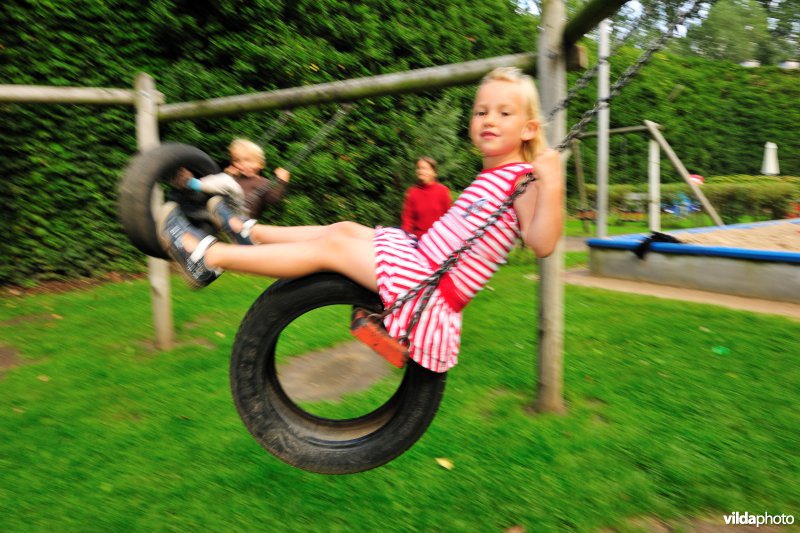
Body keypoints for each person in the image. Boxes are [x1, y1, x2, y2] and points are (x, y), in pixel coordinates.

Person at [157, 66, 564, 373]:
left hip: (430, 290)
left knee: (333, 248)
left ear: (529, 129)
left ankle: (208, 256)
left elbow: (542, 242)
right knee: (344, 229)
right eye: (481, 111)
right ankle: (249, 231)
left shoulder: (524, 181)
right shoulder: (495, 174)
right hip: (420, 260)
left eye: (504, 113)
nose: (489, 119)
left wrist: (554, 184)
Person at [172, 138, 290, 224]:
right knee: (221, 180)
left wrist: (282, 181)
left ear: (260, 164)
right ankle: (185, 189)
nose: (242, 164)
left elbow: (273, 199)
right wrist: (228, 174)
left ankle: (190, 182)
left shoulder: (263, 182)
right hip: (223, 210)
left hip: (242, 217)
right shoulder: (234, 178)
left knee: (226, 181)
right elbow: (218, 187)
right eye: (237, 161)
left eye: (248, 160)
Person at [401, 157, 452, 238]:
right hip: (419, 241)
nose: (420, 171)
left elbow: (449, 217)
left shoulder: (443, 191)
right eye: (419, 168)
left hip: (440, 239)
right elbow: (408, 220)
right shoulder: (412, 192)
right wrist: (405, 238)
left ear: (434, 173)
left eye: (424, 168)